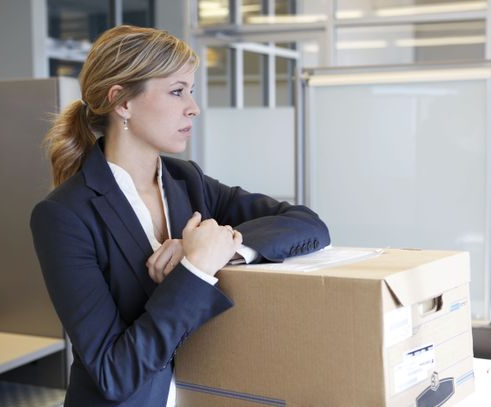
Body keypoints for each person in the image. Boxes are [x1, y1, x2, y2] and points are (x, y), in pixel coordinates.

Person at [30, 25, 330, 407]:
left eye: (191, 91)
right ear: (122, 101)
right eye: (177, 91)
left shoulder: (187, 181)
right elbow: (114, 373)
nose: (194, 106)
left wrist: (225, 249)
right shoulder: (64, 216)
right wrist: (196, 269)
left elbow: (308, 225)